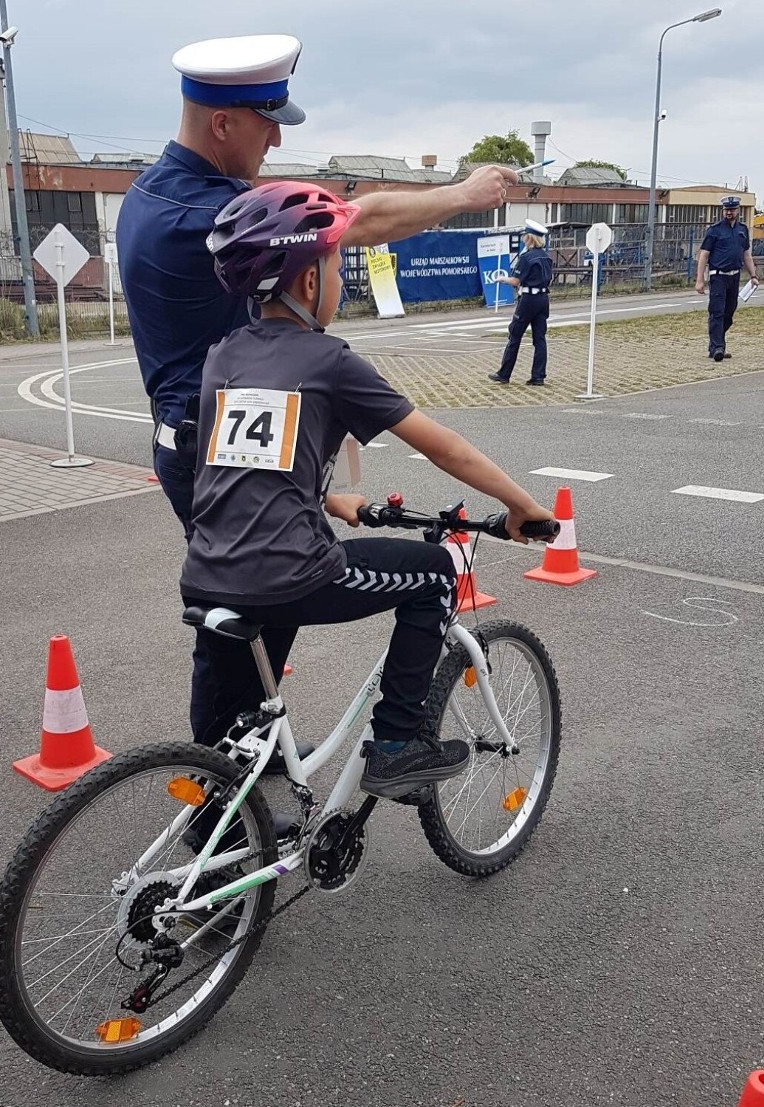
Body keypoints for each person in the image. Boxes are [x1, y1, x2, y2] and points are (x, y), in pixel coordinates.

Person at [116, 32, 518, 747]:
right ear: (222, 123)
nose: (275, 137)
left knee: (245, 609)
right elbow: (353, 220)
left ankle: (237, 764)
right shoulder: (208, 216)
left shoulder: (152, 194)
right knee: (266, 593)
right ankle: (234, 774)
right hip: (223, 444)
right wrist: (464, 194)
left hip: (210, 435)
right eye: (267, 121)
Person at [179, 182, 555, 799]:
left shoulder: (223, 356)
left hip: (209, 572)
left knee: (236, 739)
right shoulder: (329, 361)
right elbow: (442, 446)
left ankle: (219, 850)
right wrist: (523, 506)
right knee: (436, 572)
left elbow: (247, 462)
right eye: (334, 265)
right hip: (292, 572)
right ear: (307, 283)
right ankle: (399, 745)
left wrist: (328, 499)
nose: (341, 281)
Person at [488, 219, 553, 386]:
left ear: (529, 238)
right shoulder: (546, 257)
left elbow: (516, 281)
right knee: (540, 338)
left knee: (515, 335)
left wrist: (502, 279)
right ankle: (538, 376)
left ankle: (504, 373)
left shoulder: (526, 257)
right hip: (543, 299)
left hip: (528, 300)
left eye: (525, 235)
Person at [695, 196, 758, 362]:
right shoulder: (714, 230)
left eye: (732, 209)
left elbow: (746, 254)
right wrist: (699, 280)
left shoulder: (742, 230)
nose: (729, 212)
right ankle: (718, 348)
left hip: (734, 276)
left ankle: (716, 344)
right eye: (726, 210)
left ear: (738, 211)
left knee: (729, 313)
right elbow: (704, 255)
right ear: (723, 211)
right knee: (717, 312)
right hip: (718, 276)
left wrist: (753, 275)